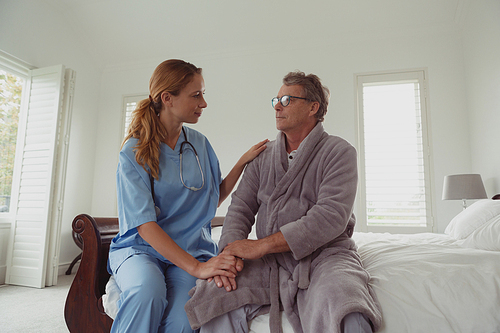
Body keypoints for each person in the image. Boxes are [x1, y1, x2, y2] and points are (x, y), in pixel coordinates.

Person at [185, 71, 382, 333]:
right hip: (271, 262)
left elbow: (331, 216)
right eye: (276, 100)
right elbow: (240, 208)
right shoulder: (263, 157)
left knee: (345, 302)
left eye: (287, 99)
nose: (278, 106)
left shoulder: (339, 152)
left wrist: (261, 245)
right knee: (215, 292)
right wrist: (229, 253)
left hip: (324, 256)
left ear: (314, 107)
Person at [107, 59, 268, 333]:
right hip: (142, 250)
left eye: (202, 94)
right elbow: (144, 225)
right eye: (196, 95)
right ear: (167, 98)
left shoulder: (200, 144)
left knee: (185, 318)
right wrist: (196, 269)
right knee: (148, 293)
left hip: (191, 247)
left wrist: (241, 163)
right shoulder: (134, 151)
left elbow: (210, 199)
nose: (203, 103)